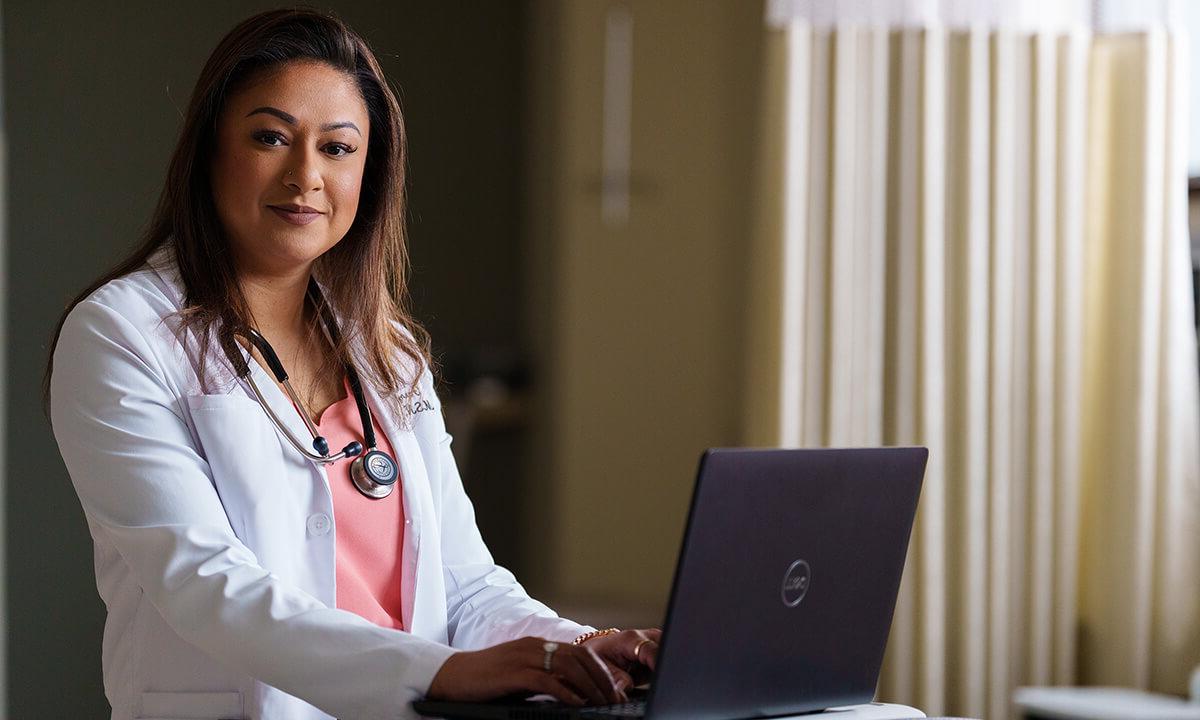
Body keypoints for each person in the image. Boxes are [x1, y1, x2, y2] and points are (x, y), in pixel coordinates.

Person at [46, 9, 659, 720]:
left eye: (338, 148)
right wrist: (441, 671)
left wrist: (581, 647)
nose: (305, 174)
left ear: (369, 173)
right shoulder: (121, 335)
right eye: (271, 137)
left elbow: (465, 586)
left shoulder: (385, 349)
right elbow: (206, 583)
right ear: (210, 149)